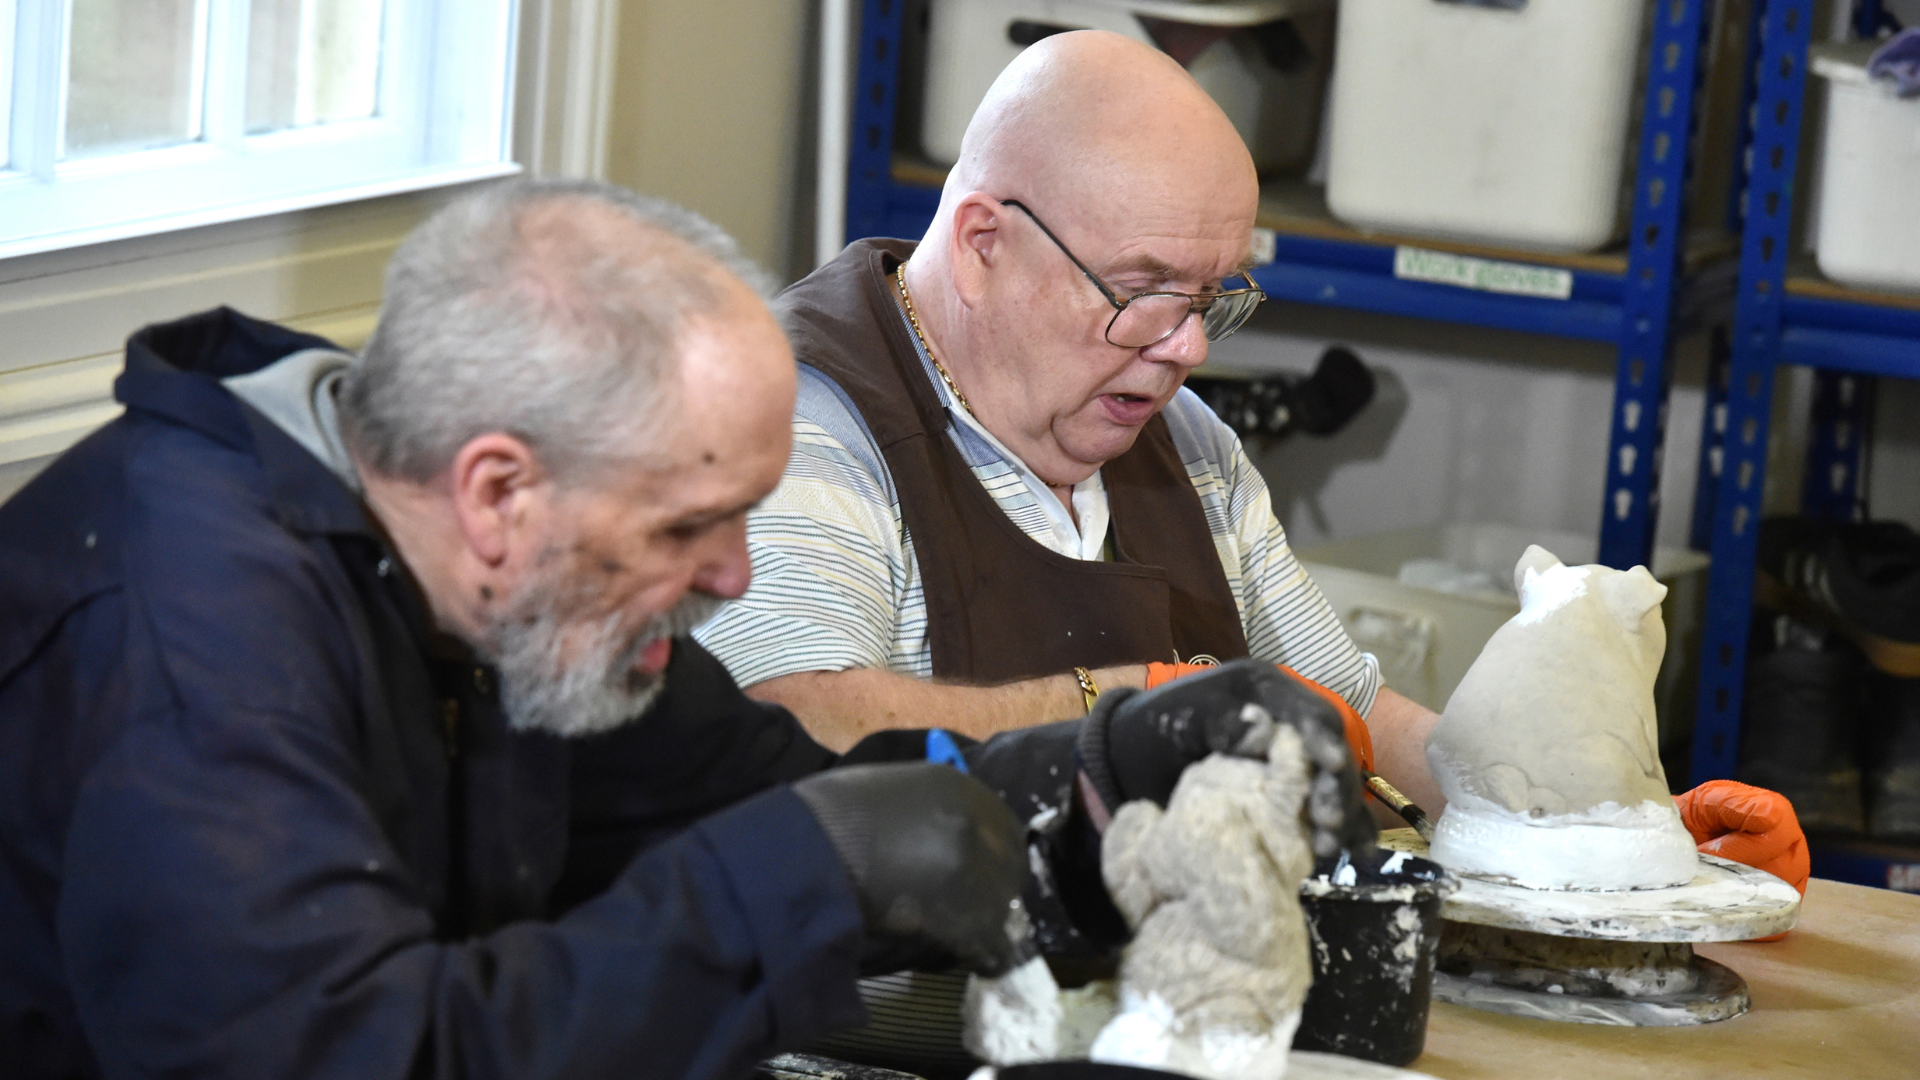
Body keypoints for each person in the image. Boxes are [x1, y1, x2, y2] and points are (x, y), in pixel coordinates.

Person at [0, 178, 1370, 1080]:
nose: (731, 576)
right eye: (685, 526)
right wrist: (794, 879)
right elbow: (338, 1060)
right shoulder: (192, 651)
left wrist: (1110, 774)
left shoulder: (517, 592)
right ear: (496, 489)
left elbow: (778, 804)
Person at [693, 28, 1807, 930]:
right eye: (1144, 290)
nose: (1187, 350)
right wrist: (1140, 708)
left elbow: (1361, 715)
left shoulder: (1183, 440)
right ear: (984, 242)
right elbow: (796, 719)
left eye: (1214, 298)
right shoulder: (807, 413)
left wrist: (1623, 836)